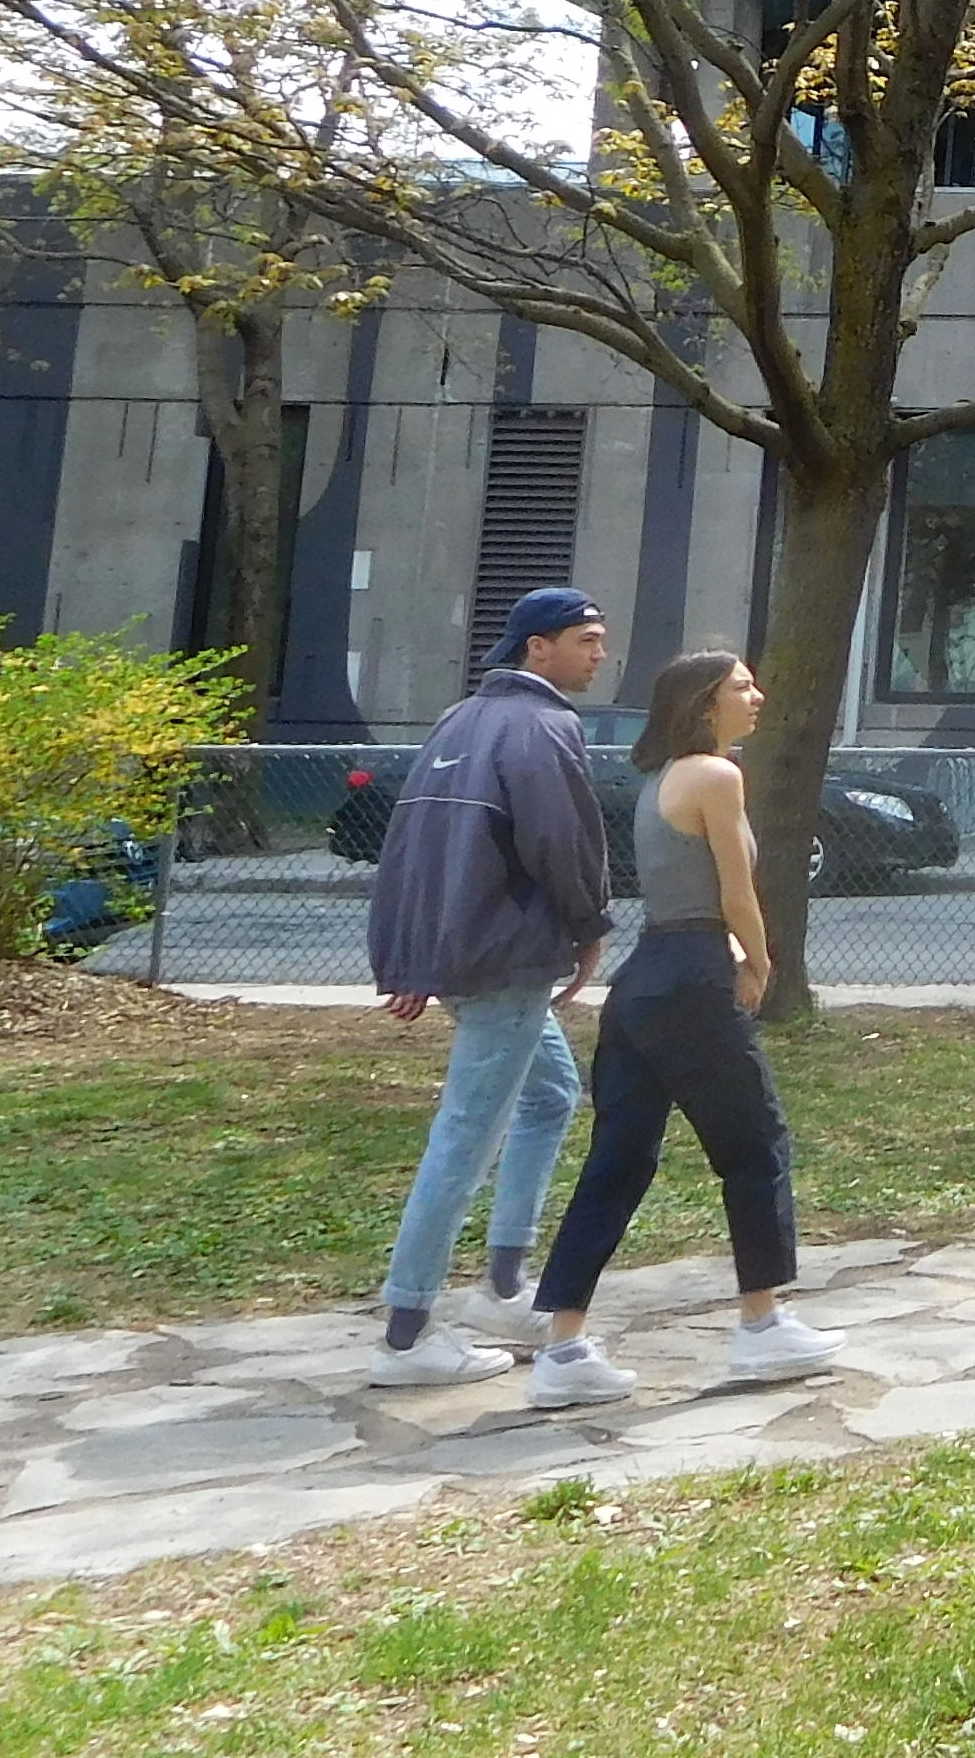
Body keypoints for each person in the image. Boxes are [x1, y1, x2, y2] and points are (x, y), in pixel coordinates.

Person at [523, 647, 843, 1408]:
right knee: (755, 1144)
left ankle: (563, 1347)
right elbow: (738, 890)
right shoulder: (716, 775)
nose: (756, 695)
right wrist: (760, 962)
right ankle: (762, 1327)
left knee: (618, 1163)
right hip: (696, 976)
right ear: (705, 703)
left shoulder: (660, 779)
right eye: (741, 686)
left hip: (643, 983)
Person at [361, 584, 615, 1387]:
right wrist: (590, 928)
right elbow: (561, 840)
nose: (599, 654)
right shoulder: (546, 725)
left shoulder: (456, 721)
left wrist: (410, 958)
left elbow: (411, 847)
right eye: (585, 639)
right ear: (535, 648)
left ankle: (504, 1292)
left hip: (465, 957)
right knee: (466, 1133)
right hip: (507, 960)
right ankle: (407, 1334)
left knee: (547, 1096)